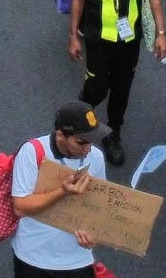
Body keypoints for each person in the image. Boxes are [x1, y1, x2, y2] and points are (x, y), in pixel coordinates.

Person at [68, 0, 166, 166]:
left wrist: (161, 34)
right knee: (96, 88)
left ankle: (112, 135)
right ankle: (79, 123)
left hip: (129, 41)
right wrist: (73, 37)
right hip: (98, 39)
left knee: (121, 90)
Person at [10, 101, 108, 278]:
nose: (88, 148)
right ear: (61, 135)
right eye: (81, 142)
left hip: (78, 261)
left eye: (92, 141)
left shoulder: (97, 157)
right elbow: (20, 207)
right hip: (33, 259)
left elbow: (99, 207)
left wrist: (95, 237)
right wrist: (62, 192)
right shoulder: (32, 152)